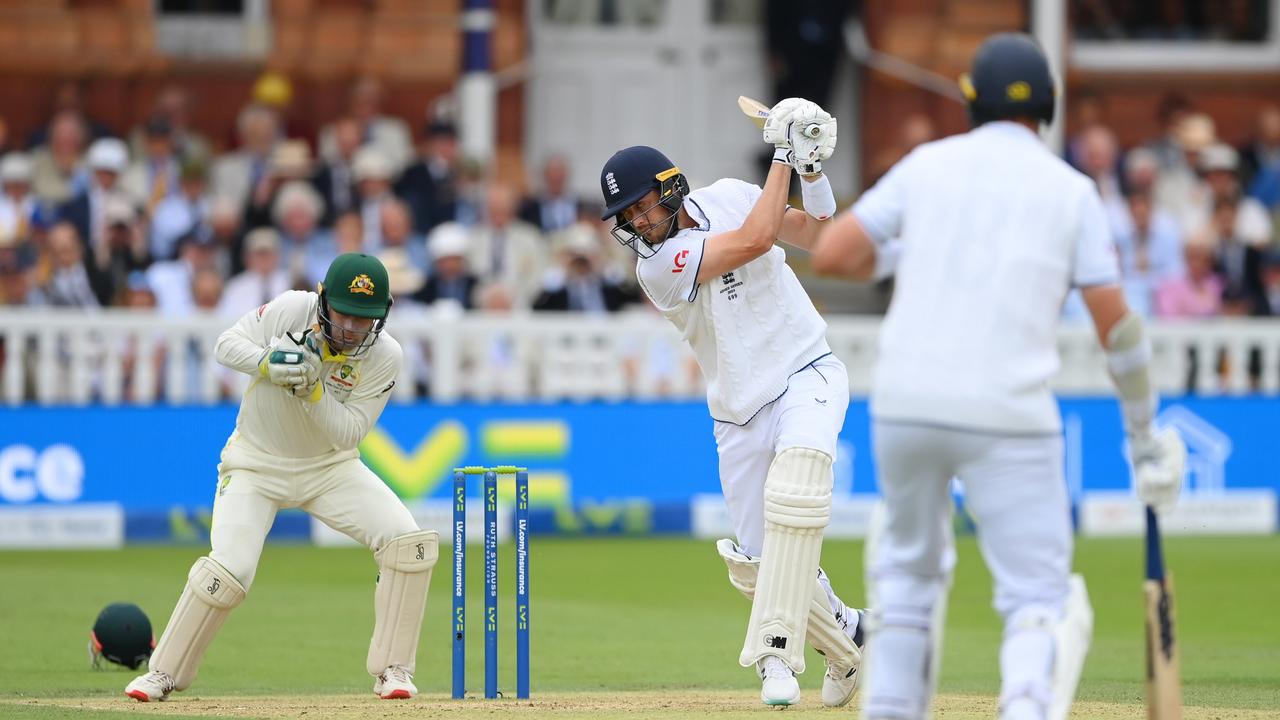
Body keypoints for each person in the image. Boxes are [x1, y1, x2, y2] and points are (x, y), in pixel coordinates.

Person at [810, 34, 1187, 720]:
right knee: (1037, 599)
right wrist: (1144, 439)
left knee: (907, 582)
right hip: (1009, 415)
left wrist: (902, 252)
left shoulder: (926, 166)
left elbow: (834, 253)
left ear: (970, 102)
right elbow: (1119, 330)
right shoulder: (1071, 192)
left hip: (905, 406)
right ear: (1047, 106)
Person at [598, 97, 865, 708]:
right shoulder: (658, 268)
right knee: (753, 566)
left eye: (640, 206)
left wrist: (811, 170)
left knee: (796, 489)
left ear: (669, 190)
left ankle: (775, 657)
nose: (637, 223)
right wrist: (781, 154)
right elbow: (755, 240)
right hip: (738, 409)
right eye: (626, 215)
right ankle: (849, 640)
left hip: (807, 371)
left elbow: (820, 236)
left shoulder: (730, 194)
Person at [126, 253, 436, 702]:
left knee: (410, 543)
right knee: (230, 570)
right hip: (255, 463)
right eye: (344, 315)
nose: (351, 330)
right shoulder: (293, 308)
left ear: (383, 314)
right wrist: (269, 362)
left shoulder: (385, 356)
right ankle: (163, 674)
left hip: (330, 469)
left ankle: (394, 670)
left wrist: (312, 391)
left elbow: (350, 432)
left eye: (364, 320)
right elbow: (225, 345)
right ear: (324, 300)